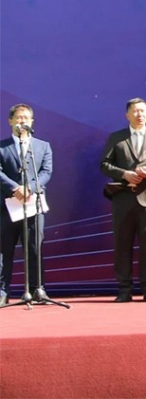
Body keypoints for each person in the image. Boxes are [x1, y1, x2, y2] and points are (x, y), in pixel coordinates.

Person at [100, 98, 146, 302]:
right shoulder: (116, 137)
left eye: (143, 111)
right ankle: (124, 289)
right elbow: (104, 164)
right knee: (122, 245)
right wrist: (124, 174)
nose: (140, 114)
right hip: (122, 200)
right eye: (136, 111)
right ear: (127, 115)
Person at [0, 104, 53, 306]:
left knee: (34, 247)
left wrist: (29, 188)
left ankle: (37, 289)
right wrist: (15, 188)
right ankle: (2, 292)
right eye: (18, 117)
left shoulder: (42, 146)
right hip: (6, 206)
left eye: (26, 118)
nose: (22, 121)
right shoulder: (2, 147)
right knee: (4, 250)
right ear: (10, 121)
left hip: (33, 205)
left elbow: (46, 172)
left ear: (32, 122)